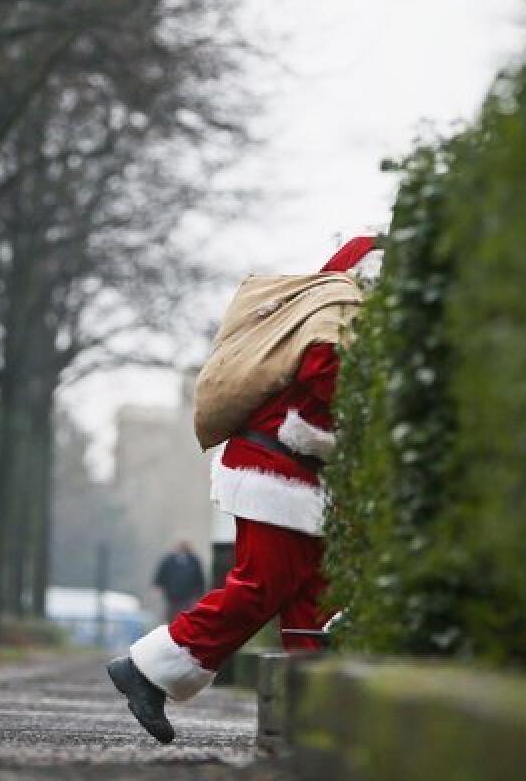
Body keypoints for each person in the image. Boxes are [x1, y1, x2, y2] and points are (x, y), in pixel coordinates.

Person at [106, 235, 383, 743]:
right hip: (275, 475)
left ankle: (314, 718)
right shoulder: (340, 317)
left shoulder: (333, 312)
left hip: (292, 477)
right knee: (262, 587)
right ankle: (147, 672)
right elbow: (329, 391)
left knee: (313, 600)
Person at [152, 541, 207, 622]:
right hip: (172, 597)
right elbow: (161, 576)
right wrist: (159, 588)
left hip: (188, 597)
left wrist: (199, 594)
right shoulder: (169, 560)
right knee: (172, 617)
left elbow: (200, 580)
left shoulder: (194, 561)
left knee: (185, 616)